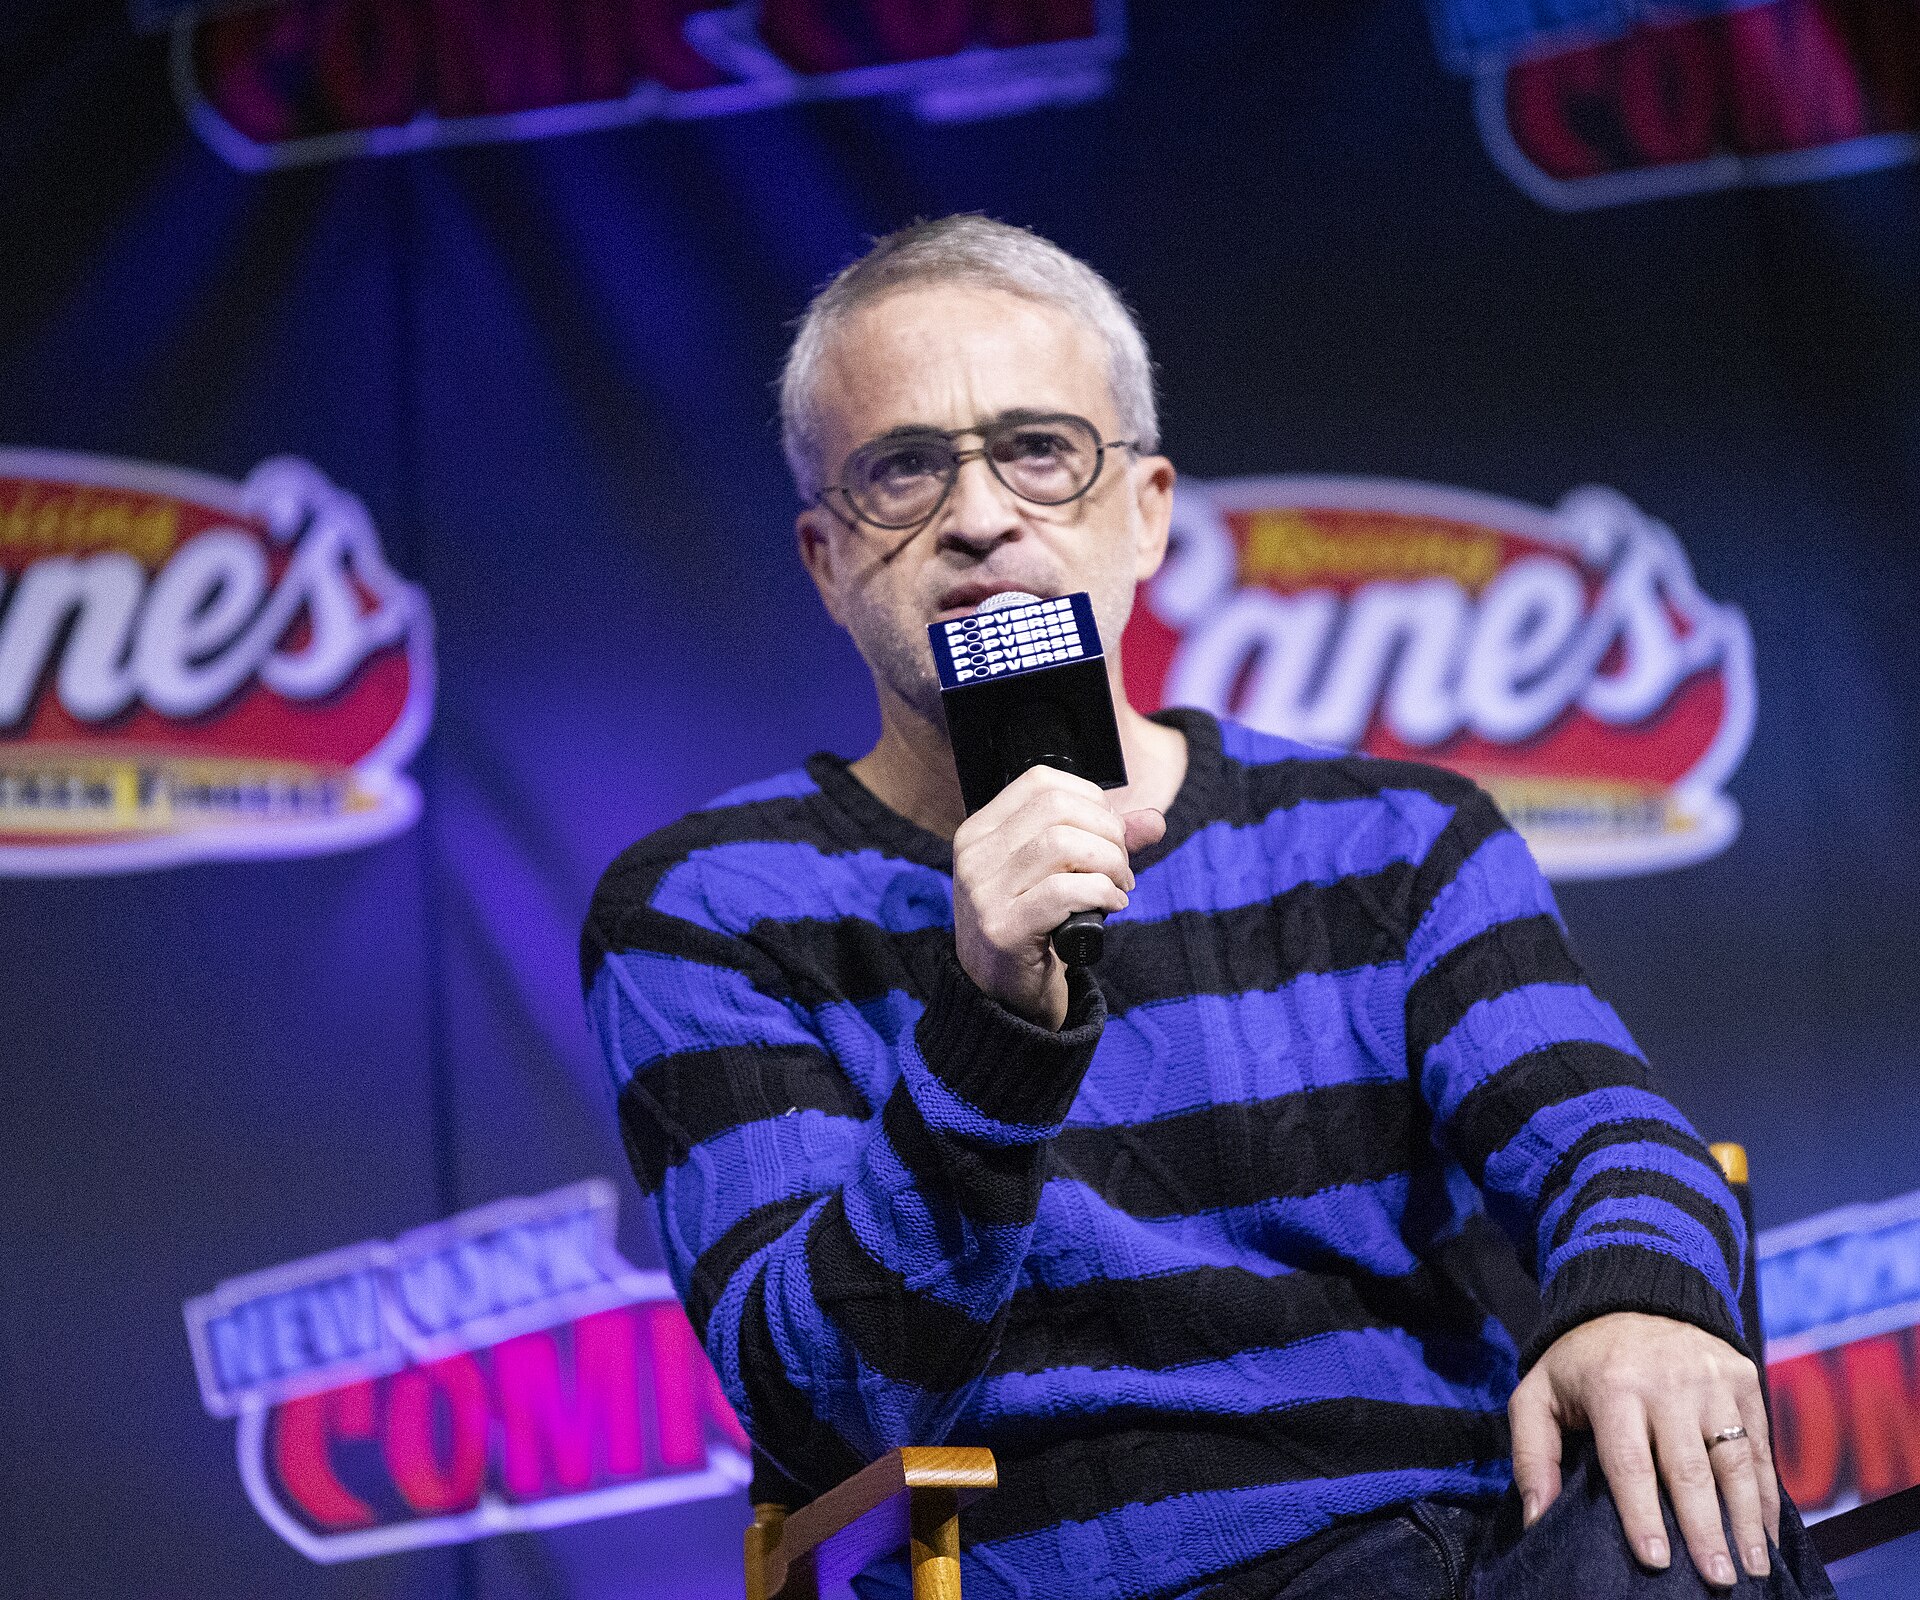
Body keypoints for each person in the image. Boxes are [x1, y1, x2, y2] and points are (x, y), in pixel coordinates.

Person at [581, 217, 1835, 1599]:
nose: (979, 516)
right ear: (826, 559)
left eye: (1038, 450)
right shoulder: (707, 913)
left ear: (1147, 511)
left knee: (1684, 1523)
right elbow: (821, 1405)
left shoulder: (1394, 836)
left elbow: (1613, 1139)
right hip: (1084, 1580)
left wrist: (1646, 1306)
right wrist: (992, 1019)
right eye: (904, 469)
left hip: (1459, 1553)